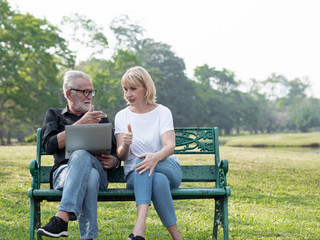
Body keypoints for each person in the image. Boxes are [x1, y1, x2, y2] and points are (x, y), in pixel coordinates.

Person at [37, 70, 120, 240]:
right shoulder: (54, 115)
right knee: (89, 176)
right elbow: (50, 145)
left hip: (100, 173)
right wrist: (81, 123)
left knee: (82, 156)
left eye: (91, 91)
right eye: (85, 92)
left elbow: (115, 152)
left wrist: (114, 161)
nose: (89, 96)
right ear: (69, 93)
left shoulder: (100, 118)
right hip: (65, 174)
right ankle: (88, 238)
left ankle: (61, 218)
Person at [115, 66, 183, 240]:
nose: (128, 94)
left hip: (167, 167)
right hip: (135, 175)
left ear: (146, 88)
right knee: (156, 179)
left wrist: (154, 158)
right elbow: (121, 156)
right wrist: (125, 144)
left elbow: (170, 146)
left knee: (143, 163)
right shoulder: (121, 116)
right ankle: (178, 238)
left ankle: (139, 228)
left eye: (133, 89)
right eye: (125, 89)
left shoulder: (162, 112)